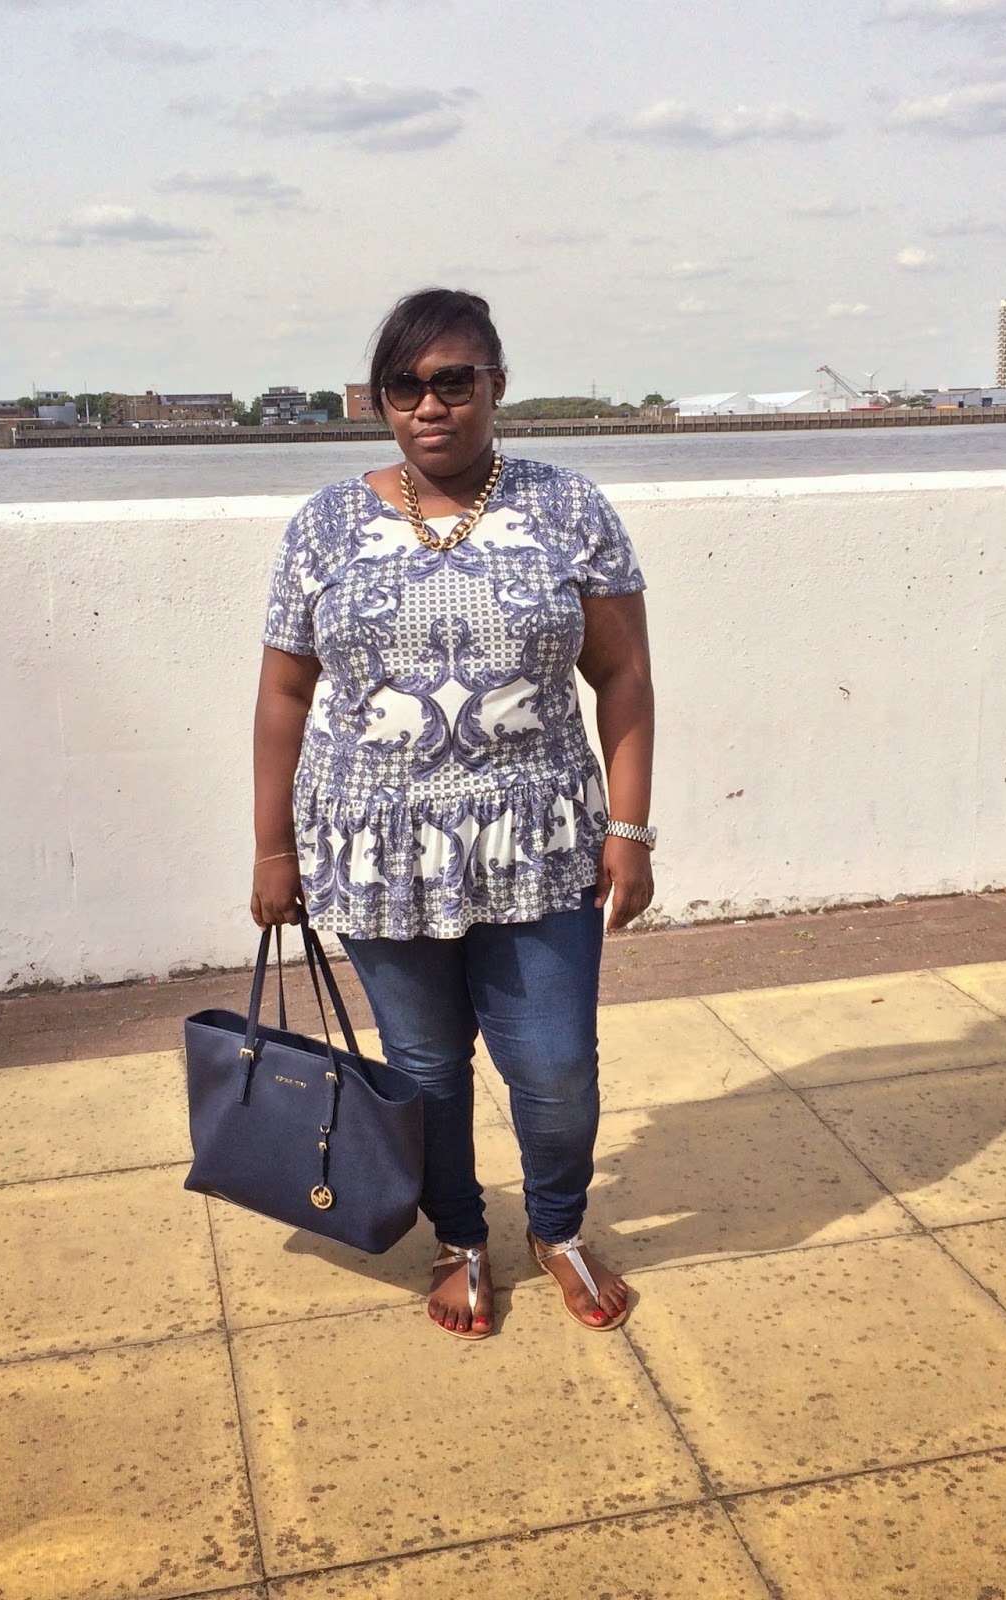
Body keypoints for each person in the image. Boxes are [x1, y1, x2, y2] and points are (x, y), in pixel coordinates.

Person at [252, 288, 655, 1341]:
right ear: (379, 398)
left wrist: (629, 829)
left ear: (495, 385)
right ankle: (460, 1236)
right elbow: (284, 693)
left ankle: (557, 1227)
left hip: (541, 838)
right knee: (423, 1066)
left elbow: (622, 675)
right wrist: (271, 848)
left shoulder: (569, 507)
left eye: (452, 381)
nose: (428, 404)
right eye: (404, 385)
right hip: (375, 845)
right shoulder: (324, 524)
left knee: (555, 1066)